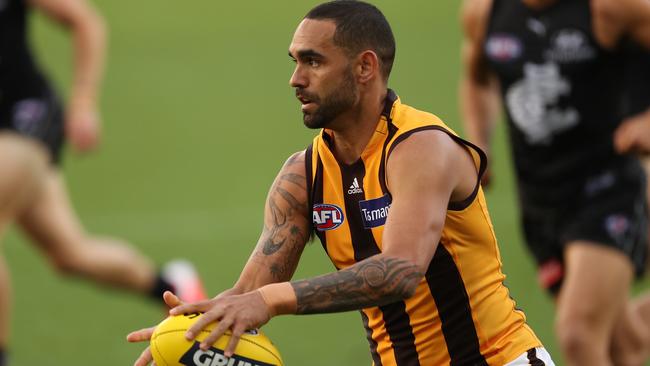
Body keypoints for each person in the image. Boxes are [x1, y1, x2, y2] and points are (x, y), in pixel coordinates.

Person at [128, 1, 555, 365]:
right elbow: (249, 293)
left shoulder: (421, 147)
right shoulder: (302, 174)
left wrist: (272, 300)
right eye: (294, 61)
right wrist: (189, 333)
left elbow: (400, 271)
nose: (296, 79)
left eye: (313, 61)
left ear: (365, 66)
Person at [0, 0, 206, 364]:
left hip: (23, 119)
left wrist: (84, 101)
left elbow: (85, 20)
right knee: (70, 255)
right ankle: (172, 288)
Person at [460, 0, 650, 364]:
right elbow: (477, 79)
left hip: (607, 187)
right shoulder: (486, 13)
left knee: (578, 333)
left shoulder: (610, 9)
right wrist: (480, 142)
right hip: (540, 200)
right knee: (621, 344)